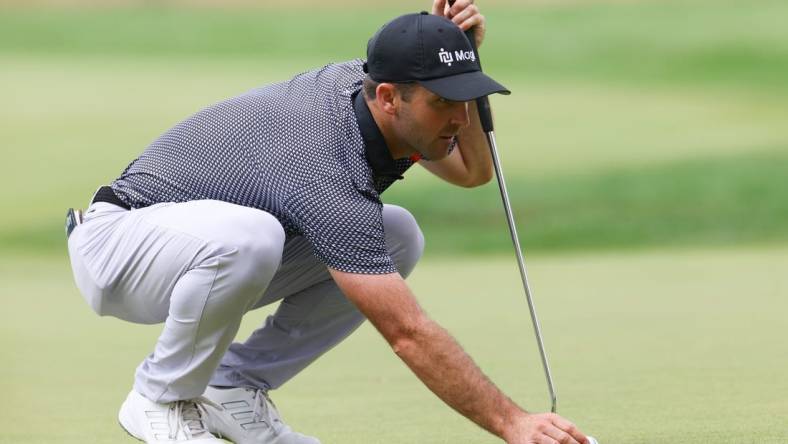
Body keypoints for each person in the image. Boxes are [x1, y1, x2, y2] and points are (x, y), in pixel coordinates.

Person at [65, 1, 593, 443]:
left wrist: (461, 68)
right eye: (443, 102)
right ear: (389, 98)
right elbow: (407, 332)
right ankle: (160, 396)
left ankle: (233, 387)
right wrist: (513, 423)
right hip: (119, 247)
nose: (459, 118)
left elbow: (473, 170)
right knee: (253, 238)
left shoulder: (382, 99)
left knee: (397, 233)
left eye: (463, 99)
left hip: (190, 251)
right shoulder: (324, 155)